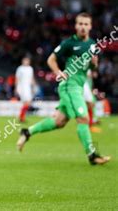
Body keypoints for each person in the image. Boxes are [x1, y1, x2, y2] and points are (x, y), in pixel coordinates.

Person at [16, 13, 110, 165]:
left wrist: (94, 63)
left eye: (86, 24)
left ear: (90, 26)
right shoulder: (69, 43)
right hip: (69, 86)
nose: (83, 27)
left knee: (59, 121)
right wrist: (58, 72)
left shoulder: (93, 45)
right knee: (84, 119)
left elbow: (92, 67)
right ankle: (92, 155)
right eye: (80, 24)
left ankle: (27, 132)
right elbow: (51, 59)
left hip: (78, 86)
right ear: (76, 26)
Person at [15, 57, 35, 122]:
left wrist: (33, 86)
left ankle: (21, 117)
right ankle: (21, 117)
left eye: (28, 61)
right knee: (26, 102)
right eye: (25, 61)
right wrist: (16, 87)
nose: (27, 62)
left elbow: (32, 78)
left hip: (28, 87)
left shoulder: (30, 68)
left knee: (28, 102)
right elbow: (17, 78)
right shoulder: (20, 69)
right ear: (22, 61)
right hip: (22, 86)